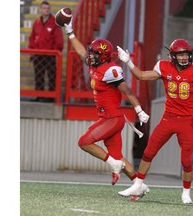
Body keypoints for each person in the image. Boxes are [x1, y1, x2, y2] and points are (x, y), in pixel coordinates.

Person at [116, 38, 193, 203]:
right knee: (149, 152)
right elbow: (140, 75)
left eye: (186, 54)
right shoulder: (164, 66)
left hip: (186, 121)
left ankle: (186, 193)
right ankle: (138, 184)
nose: (184, 58)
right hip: (168, 118)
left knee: (186, 160)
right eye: (181, 55)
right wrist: (128, 62)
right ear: (172, 56)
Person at [61, 18, 150, 187]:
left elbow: (127, 90)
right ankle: (139, 186)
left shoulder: (111, 70)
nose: (91, 56)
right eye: (92, 53)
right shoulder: (95, 66)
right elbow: (81, 53)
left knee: (84, 142)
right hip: (108, 117)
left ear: (103, 56)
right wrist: (70, 32)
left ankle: (114, 164)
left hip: (112, 118)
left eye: (95, 54)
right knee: (118, 156)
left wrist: (138, 110)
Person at [28, 1, 64, 102]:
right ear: (40, 9)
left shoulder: (54, 23)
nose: (46, 10)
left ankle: (51, 97)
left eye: (47, 8)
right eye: (44, 8)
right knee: (38, 76)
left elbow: (59, 40)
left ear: (50, 9)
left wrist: (56, 52)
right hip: (38, 55)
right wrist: (32, 51)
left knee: (52, 76)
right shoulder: (37, 22)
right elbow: (32, 37)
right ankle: (39, 96)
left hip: (50, 55)